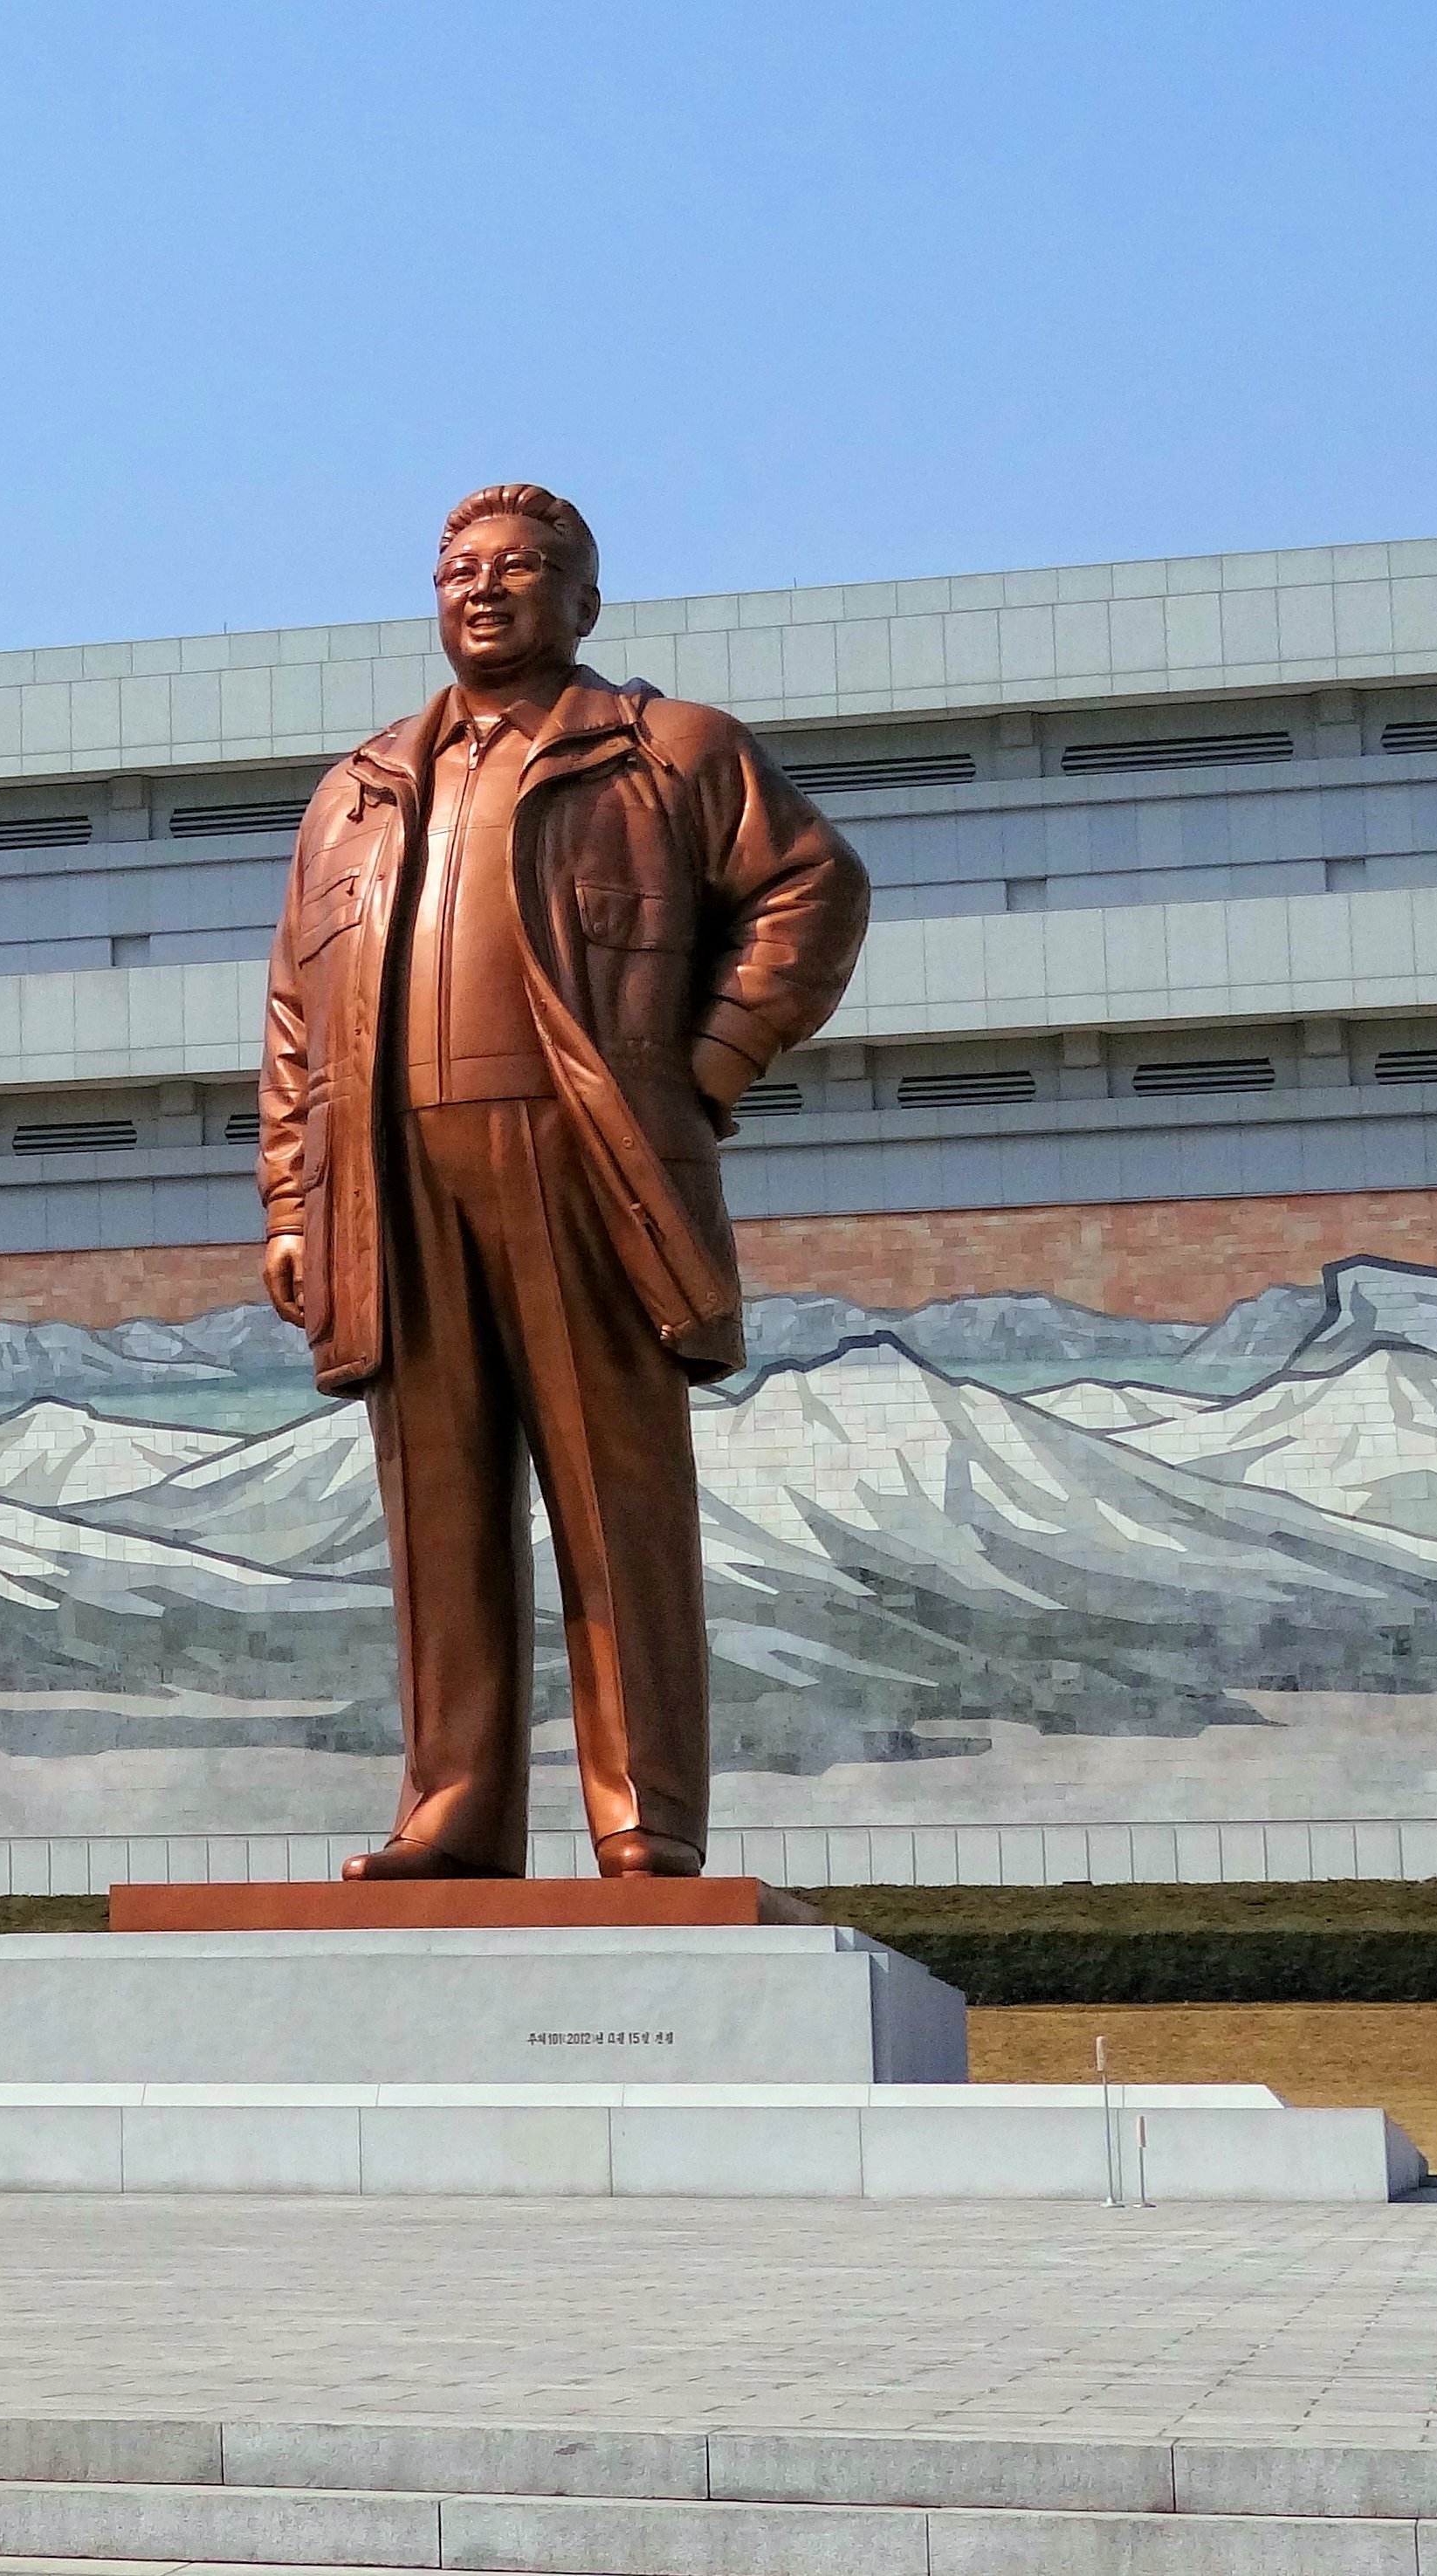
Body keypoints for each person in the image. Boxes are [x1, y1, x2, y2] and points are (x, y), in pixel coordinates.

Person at [258, 484, 868, 1882]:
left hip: (584, 1155)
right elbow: (297, 1014)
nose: (486, 590)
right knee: (437, 1505)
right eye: (460, 569)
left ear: (584, 603)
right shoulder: (359, 786)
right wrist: (296, 1202)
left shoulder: (669, 752)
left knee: (616, 1494)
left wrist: (703, 1064)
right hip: (395, 1175)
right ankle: (453, 1806)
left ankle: (641, 1813)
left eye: (524, 569)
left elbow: (814, 891)